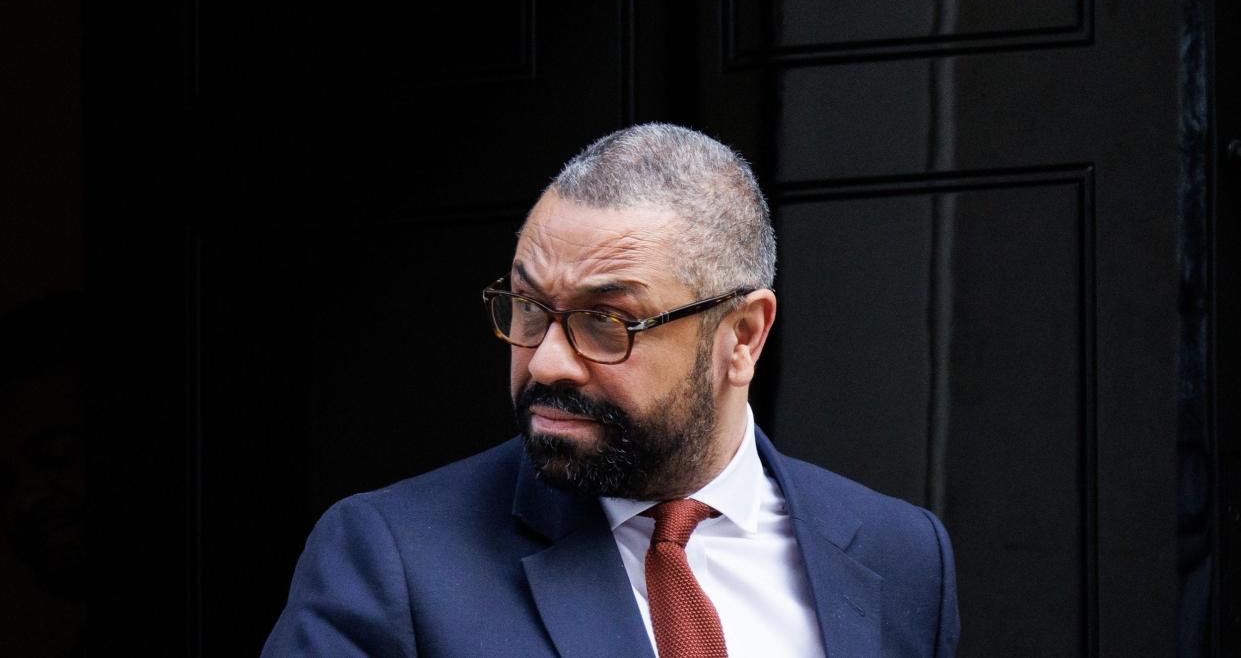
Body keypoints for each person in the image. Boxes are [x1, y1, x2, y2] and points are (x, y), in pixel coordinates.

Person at [263, 123, 959, 657]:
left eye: (606, 321)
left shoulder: (898, 555)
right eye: (529, 308)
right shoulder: (393, 559)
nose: (546, 365)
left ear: (741, 336)